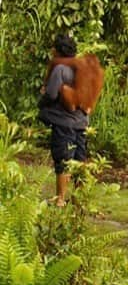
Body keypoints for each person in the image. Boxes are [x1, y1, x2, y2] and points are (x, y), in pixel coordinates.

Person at [37, 34, 89, 206]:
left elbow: (52, 94)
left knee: (63, 159)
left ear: (58, 50)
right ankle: (80, 199)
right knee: (80, 160)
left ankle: (60, 199)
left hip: (64, 122)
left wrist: (42, 98)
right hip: (81, 122)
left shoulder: (60, 69)